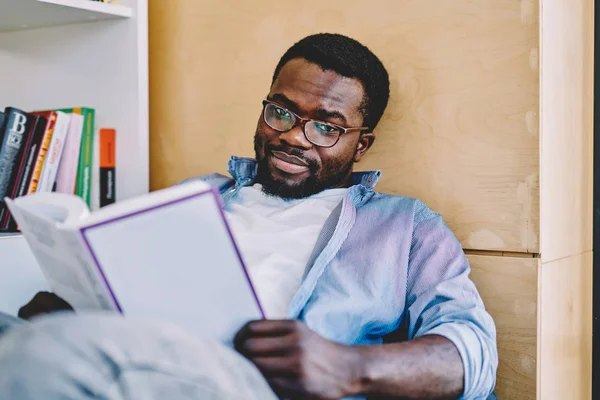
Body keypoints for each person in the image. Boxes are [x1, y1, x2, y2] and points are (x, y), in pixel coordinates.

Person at [0, 33, 497, 399]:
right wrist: (74, 310)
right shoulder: (196, 195)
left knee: (46, 355)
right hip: (144, 355)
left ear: (360, 145)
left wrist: (349, 366)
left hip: (247, 382)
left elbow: (472, 354)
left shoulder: (406, 227)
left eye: (326, 126)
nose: (294, 136)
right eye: (281, 112)